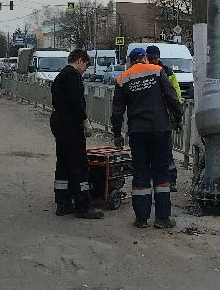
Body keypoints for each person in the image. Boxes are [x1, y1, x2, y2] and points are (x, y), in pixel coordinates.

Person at [112, 47, 182, 229]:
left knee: (140, 173)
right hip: (159, 130)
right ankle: (162, 218)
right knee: (161, 173)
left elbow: (117, 111)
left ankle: (141, 218)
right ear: (144, 58)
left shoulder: (122, 79)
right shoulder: (157, 71)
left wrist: (117, 134)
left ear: (130, 61)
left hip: (137, 132)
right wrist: (178, 118)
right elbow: (172, 97)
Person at [49, 48, 103, 220]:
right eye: (85, 66)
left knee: (63, 163)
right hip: (70, 124)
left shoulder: (61, 75)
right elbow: (76, 101)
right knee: (79, 165)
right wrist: (84, 120)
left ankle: (63, 203)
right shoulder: (73, 75)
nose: (84, 70)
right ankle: (83, 206)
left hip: (59, 122)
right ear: (80, 60)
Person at [145, 44, 181, 191]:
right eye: (151, 58)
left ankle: (170, 180)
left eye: (155, 58)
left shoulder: (166, 71)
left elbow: (175, 94)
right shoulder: (145, 71)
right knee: (153, 150)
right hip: (151, 117)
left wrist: (176, 116)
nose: (153, 60)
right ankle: (157, 179)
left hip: (164, 117)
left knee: (166, 151)